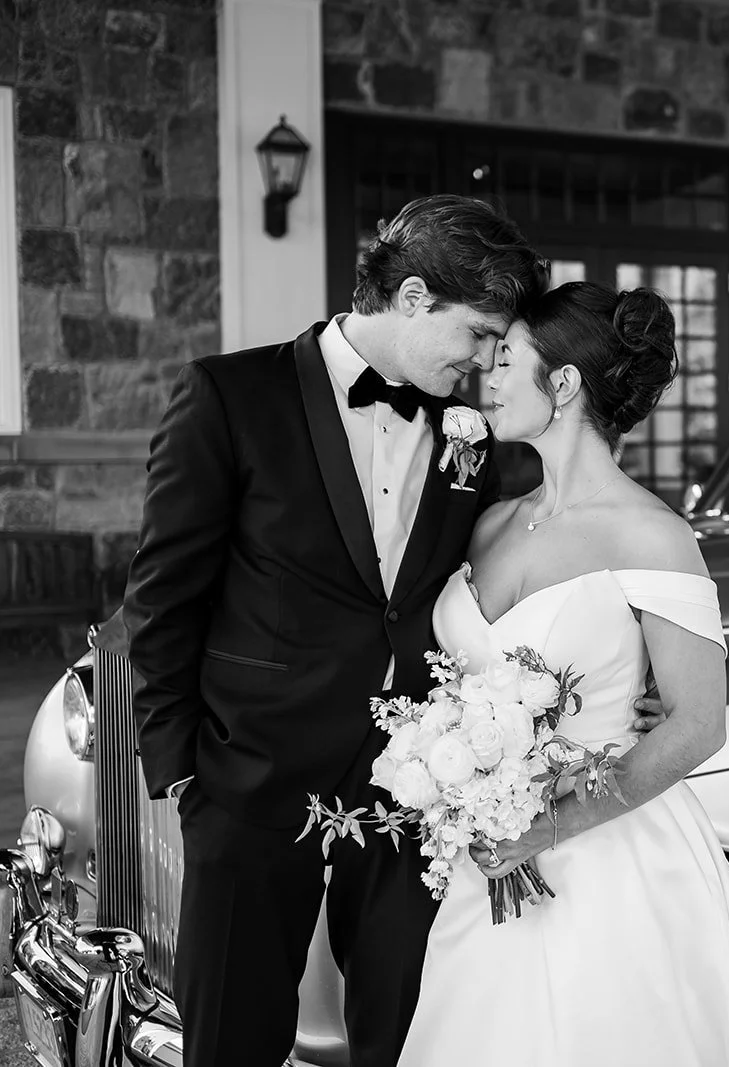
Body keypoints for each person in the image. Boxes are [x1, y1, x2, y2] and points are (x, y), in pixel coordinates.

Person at [123, 195, 550, 1067]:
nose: (482, 362)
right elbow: (163, 598)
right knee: (231, 1040)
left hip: (411, 790)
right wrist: (179, 780)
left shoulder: (466, 436)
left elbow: (521, 554)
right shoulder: (230, 396)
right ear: (416, 298)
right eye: (477, 333)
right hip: (247, 784)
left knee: (407, 1031)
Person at [396, 281, 729, 1066]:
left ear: (562, 384)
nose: (484, 378)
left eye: (504, 361)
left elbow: (700, 722)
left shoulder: (655, 536)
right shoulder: (491, 517)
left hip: (612, 869)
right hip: (481, 863)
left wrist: (545, 826)